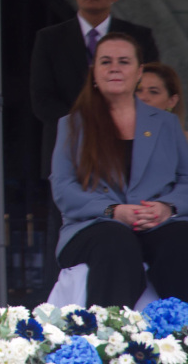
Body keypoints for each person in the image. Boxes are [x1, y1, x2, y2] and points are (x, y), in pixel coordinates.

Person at [31, 0, 159, 291]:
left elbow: (151, 91)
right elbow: (42, 99)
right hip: (74, 150)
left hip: (132, 147)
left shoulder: (139, 36)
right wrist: (89, 128)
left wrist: (122, 125)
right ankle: (62, 299)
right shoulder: (50, 38)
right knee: (69, 219)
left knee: (135, 217)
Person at [50, 33, 188, 308]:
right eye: (106, 61)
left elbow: (185, 180)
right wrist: (112, 211)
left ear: (138, 73)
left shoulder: (166, 123)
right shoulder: (73, 125)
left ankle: (180, 334)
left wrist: (167, 208)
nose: (114, 67)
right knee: (116, 239)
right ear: (94, 73)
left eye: (123, 62)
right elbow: (63, 187)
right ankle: (111, 337)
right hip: (94, 226)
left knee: (180, 241)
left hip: (156, 223)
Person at [137, 62, 187, 134]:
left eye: (153, 92)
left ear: (172, 101)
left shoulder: (181, 141)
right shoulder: (118, 136)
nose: (142, 97)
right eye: (138, 90)